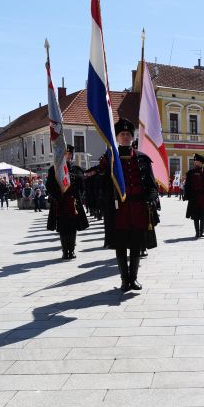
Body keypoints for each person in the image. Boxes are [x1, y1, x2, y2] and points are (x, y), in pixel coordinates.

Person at [102, 118, 159, 292]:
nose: (126, 137)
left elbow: (152, 186)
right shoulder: (110, 160)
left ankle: (133, 279)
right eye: (122, 134)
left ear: (132, 137)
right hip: (119, 210)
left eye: (128, 134)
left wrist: (149, 199)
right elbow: (103, 187)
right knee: (120, 247)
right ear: (117, 137)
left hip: (138, 209)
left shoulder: (142, 159)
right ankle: (124, 280)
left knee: (136, 245)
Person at [46, 144, 88, 259]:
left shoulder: (75, 169)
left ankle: (72, 250)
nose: (68, 156)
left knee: (73, 227)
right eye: (66, 154)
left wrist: (69, 176)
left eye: (69, 154)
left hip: (73, 203)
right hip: (60, 202)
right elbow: (49, 186)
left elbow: (82, 184)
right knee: (63, 228)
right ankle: (65, 251)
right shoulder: (53, 169)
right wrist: (58, 196)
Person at [184, 154, 204, 238]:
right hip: (194, 197)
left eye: (196, 162)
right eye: (195, 161)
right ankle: (197, 232)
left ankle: (202, 232)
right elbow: (187, 185)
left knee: (203, 215)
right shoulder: (190, 173)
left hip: (203, 197)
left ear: (201, 163)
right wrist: (187, 196)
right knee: (195, 216)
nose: (195, 163)